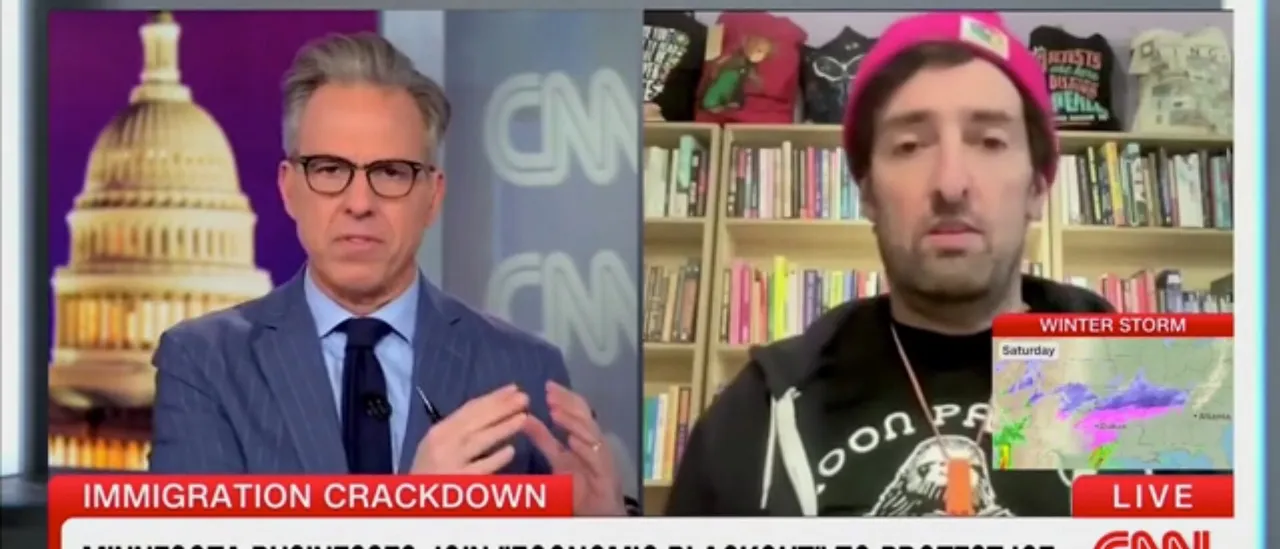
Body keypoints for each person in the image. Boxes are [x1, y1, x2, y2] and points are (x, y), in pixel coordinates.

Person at [148, 33, 624, 516]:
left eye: (391, 172)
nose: (359, 203)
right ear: (289, 189)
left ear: (433, 197)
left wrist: (601, 527)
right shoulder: (205, 363)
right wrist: (411, 510)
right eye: (330, 169)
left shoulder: (523, 370)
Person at [665, 12, 1115, 517]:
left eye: (989, 141)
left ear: (1037, 188)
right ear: (867, 195)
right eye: (910, 146)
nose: (950, 184)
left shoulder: (1125, 378)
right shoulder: (767, 407)